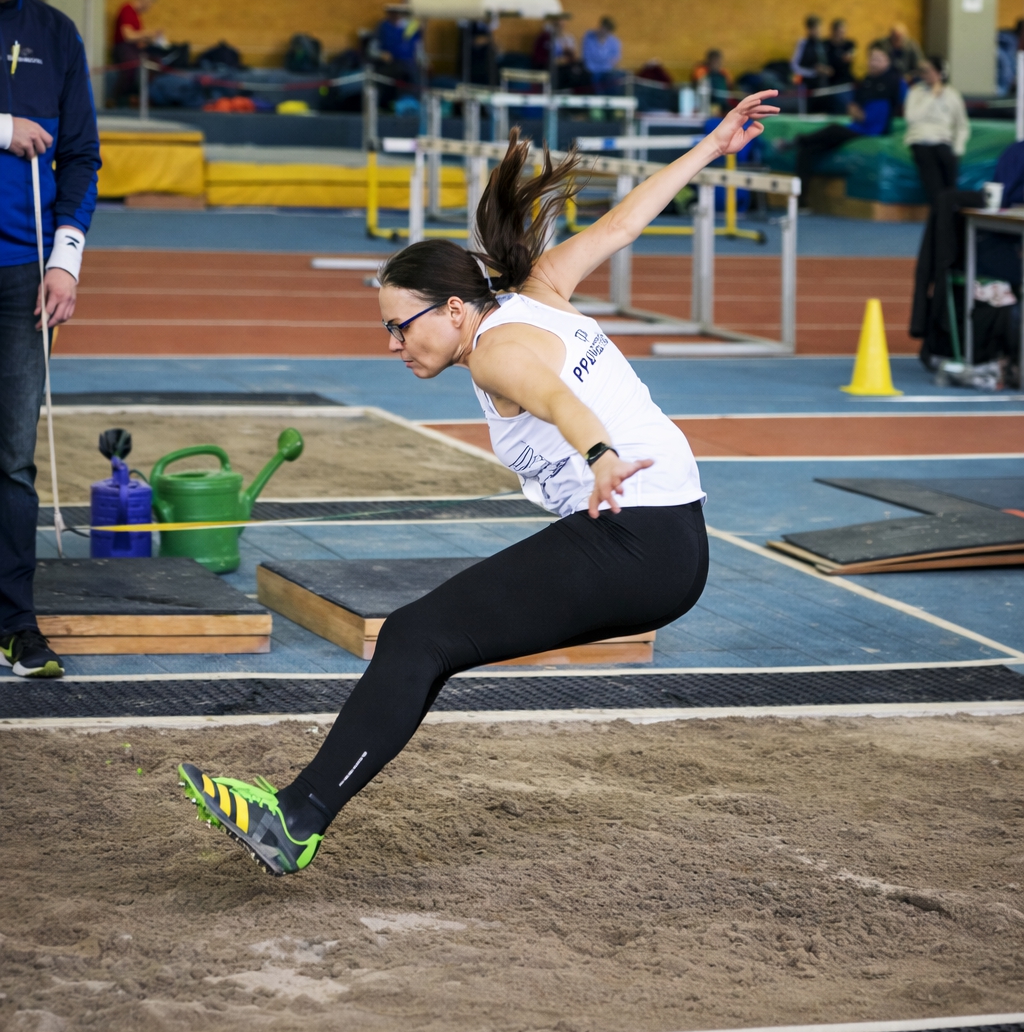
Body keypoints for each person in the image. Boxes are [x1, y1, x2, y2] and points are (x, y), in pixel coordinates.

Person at [178, 87, 780, 875]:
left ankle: (297, 819)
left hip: (638, 539)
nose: (393, 345)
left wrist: (600, 456)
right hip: (667, 538)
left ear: (456, 310)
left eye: (401, 326)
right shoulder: (542, 290)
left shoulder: (497, 352)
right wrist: (710, 147)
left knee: (417, 637)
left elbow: (558, 399)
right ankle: (301, 813)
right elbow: (621, 225)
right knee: (428, 644)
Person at [0, 0, 101, 679]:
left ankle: (13, 622)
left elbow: (81, 158)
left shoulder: (56, 35)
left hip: (21, 275)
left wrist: (65, 260)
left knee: (10, 459)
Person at [791, 45, 903, 205]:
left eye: (879, 59)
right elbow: (854, 107)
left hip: (871, 130)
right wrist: (855, 111)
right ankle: (800, 200)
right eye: (872, 59)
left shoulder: (893, 82)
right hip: (857, 126)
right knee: (806, 151)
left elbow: (872, 118)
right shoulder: (866, 81)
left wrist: (860, 115)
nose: (873, 63)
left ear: (888, 62)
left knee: (834, 129)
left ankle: (800, 139)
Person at [904, 56, 970, 208]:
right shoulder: (915, 92)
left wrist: (958, 148)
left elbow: (962, 125)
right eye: (923, 71)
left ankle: (948, 212)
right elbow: (912, 118)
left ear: (939, 73)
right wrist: (931, 96)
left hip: (943, 141)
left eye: (929, 71)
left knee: (949, 173)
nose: (925, 74)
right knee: (933, 181)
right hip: (920, 140)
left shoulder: (952, 95)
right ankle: (939, 210)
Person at [111, 0, 164, 103]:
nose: (150, 6)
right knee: (131, 66)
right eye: (150, 3)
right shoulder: (127, 9)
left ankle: (145, 97)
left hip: (134, 48)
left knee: (155, 63)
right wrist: (148, 33)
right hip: (123, 48)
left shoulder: (135, 15)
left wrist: (149, 39)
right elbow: (128, 36)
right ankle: (115, 99)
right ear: (144, 0)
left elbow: (137, 40)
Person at [790, 15, 830, 103]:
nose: (819, 32)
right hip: (806, 85)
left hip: (821, 85)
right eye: (816, 29)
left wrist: (825, 69)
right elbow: (794, 66)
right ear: (809, 29)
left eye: (820, 29)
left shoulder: (822, 44)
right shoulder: (803, 43)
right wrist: (813, 72)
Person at [581, 16, 622, 93]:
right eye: (604, 28)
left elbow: (615, 60)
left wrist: (601, 60)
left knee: (618, 77)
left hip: (607, 72)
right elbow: (587, 58)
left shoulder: (614, 41)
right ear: (601, 26)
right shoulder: (589, 37)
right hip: (591, 72)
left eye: (608, 31)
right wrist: (605, 61)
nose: (605, 32)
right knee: (596, 80)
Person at [825, 19, 856, 115]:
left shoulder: (849, 44)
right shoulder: (826, 45)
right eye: (840, 32)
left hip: (846, 81)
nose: (842, 34)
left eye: (844, 32)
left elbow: (850, 57)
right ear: (834, 32)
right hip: (832, 82)